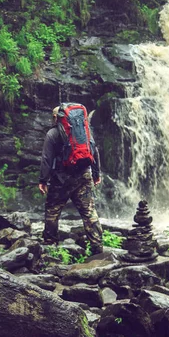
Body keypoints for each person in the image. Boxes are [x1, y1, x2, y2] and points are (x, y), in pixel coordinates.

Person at [38, 105, 104, 254]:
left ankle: (50, 244)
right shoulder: (83, 131)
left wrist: (43, 180)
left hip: (61, 179)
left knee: (53, 210)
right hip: (84, 176)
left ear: (56, 118)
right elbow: (94, 150)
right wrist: (96, 174)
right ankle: (97, 246)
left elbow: (46, 159)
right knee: (89, 212)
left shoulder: (52, 133)